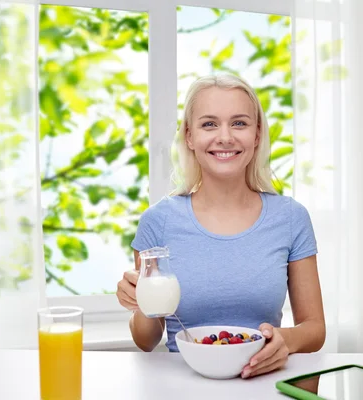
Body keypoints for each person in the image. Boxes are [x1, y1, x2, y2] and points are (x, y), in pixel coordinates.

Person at [116, 74, 325, 379]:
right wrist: (139, 302)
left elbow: (315, 329)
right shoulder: (158, 221)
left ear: (256, 135)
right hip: (184, 388)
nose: (225, 137)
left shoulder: (291, 218)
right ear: (189, 136)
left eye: (239, 123)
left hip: (265, 383)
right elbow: (146, 340)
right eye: (209, 124)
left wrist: (285, 340)